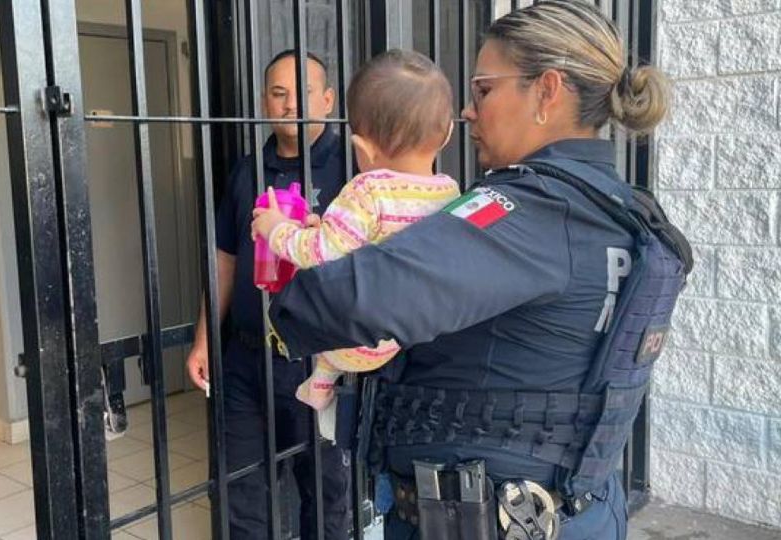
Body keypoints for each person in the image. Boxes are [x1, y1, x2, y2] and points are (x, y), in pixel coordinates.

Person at [268, 2, 689, 539]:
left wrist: (288, 311)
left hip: (481, 518)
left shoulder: (527, 210)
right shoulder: (621, 205)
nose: (467, 112)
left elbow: (352, 298)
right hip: (580, 509)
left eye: (483, 90)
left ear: (547, 92)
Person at [185, 50, 350, 539]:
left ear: (327, 99)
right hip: (246, 363)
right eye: (278, 94)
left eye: (301, 93)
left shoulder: (353, 171)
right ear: (263, 101)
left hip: (321, 365)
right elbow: (225, 261)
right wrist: (203, 341)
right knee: (240, 494)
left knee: (325, 498)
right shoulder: (246, 172)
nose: (288, 105)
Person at [251, 50, 460, 413]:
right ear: (447, 135)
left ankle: (320, 385)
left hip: (355, 339)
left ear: (361, 147)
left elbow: (319, 253)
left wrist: (275, 228)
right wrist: (330, 230)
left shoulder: (368, 189)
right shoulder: (449, 190)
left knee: (318, 318)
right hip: (414, 327)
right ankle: (321, 389)